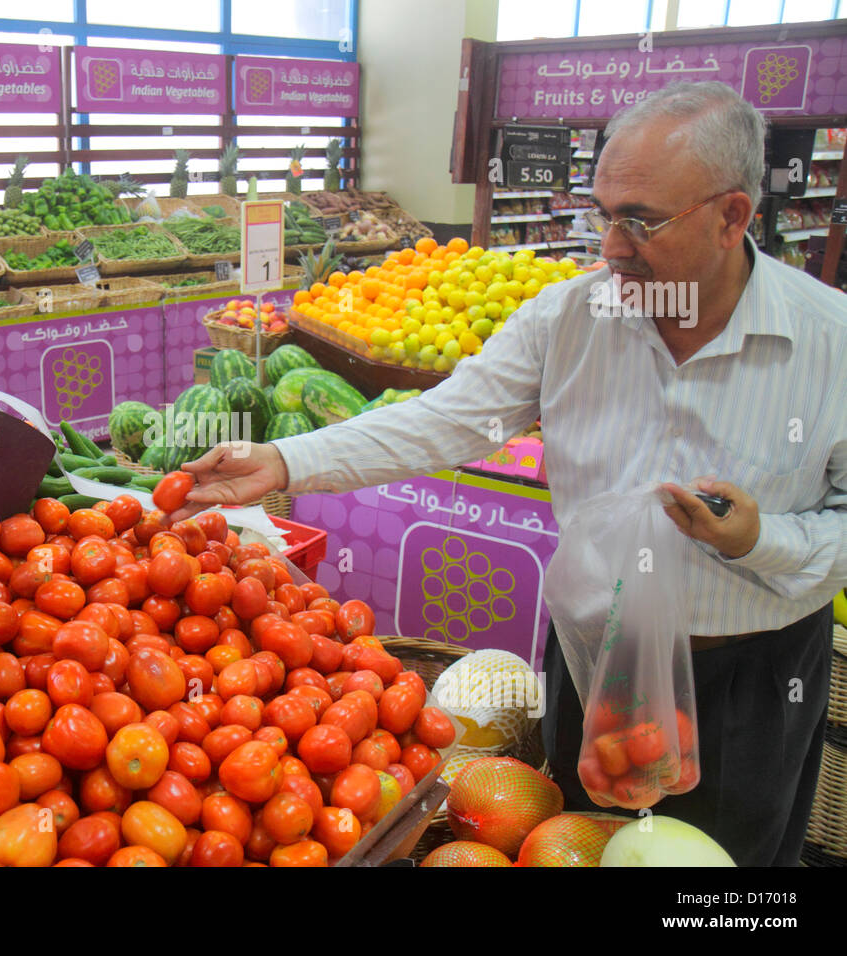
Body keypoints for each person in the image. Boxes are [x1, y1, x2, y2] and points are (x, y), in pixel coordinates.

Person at [174, 81, 847, 866]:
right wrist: (284, 459)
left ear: (732, 216)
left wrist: (759, 539)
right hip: (596, 661)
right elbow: (448, 419)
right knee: (571, 851)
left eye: (642, 221)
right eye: (604, 213)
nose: (611, 247)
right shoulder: (568, 321)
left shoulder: (827, 343)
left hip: (747, 681)